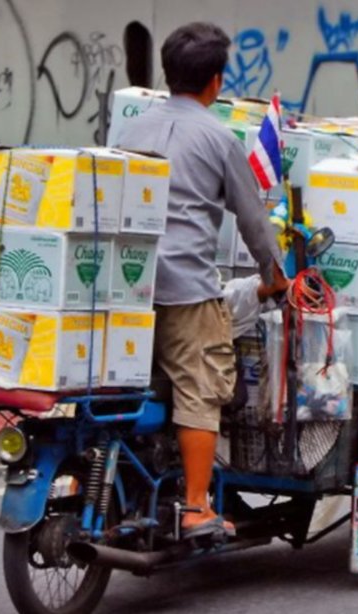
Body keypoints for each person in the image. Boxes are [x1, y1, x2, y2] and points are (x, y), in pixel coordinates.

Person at [114, 22, 287, 539]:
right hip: (187, 289)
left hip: (127, 289)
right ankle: (194, 507)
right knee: (200, 389)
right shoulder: (218, 137)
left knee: (128, 393)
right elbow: (253, 220)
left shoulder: (130, 131)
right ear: (215, 81)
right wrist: (274, 276)